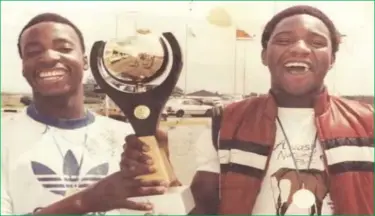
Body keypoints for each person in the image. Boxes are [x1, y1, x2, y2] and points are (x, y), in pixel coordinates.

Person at [122, 5, 374, 215]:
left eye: (317, 42)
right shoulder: (225, 122)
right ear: (265, 55)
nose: (299, 48)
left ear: (332, 59)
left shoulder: (368, 122)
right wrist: (160, 166)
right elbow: (202, 207)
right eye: (283, 40)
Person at [1, 13, 171, 215]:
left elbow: (162, 209)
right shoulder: (5, 136)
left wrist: (164, 171)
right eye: (33, 52)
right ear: (23, 68)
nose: (48, 57)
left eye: (64, 48)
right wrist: (84, 202)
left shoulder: (128, 137)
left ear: (84, 61)